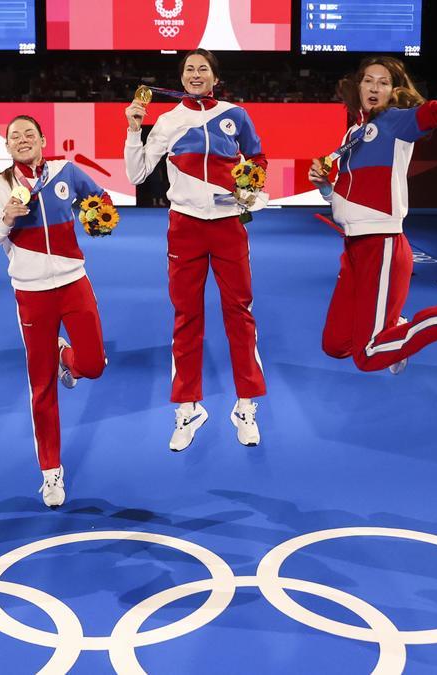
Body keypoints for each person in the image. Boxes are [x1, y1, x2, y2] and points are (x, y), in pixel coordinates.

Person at [309, 49, 437, 375]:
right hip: (354, 248)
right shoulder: (353, 134)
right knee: (335, 345)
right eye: (368, 81)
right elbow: (341, 201)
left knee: (368, 356)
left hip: (381, 244)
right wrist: (325, 187)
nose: (374, 87)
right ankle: (396, 329)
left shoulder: (396, 121)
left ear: (394, 90)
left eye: (383, 82)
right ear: (357, 87)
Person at [124, 48, 268, 453]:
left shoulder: (235, 114)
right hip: (184, 226)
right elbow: (136, 173)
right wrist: (135, 128)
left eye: (202, 68)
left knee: (239, 313)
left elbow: (257, 157)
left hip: (227, 226)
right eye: (189, 68)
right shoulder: (169, 121)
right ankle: (188, 407)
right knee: (187, 315)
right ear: (181, 77)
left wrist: (251, 186)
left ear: (214, 77)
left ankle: (245, 404)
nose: (195, 73)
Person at [0, 115, 113, 508]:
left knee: (94, 364)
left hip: (74, 282)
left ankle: (63, 355)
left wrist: (95, 219)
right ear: (7, 146)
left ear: (42, 140)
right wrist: (6, 220)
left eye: (28, 134)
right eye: (14, 136)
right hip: (32, 293)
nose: (22, 140)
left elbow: (100, 201)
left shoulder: (66, 172)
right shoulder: (0, 186)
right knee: (42, 388)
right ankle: (51, 472)